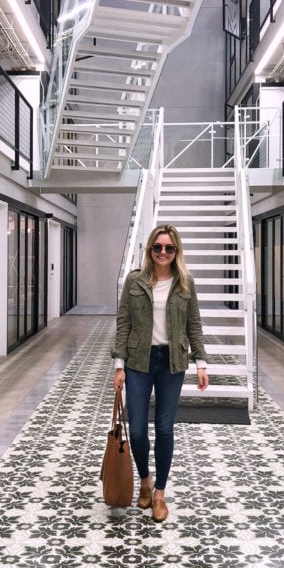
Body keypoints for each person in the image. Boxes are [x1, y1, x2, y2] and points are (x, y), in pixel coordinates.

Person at [112, 224, 209, 522]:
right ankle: (144, 479)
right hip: (138, 362)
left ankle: (159, 494)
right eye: (158, 247)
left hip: (172, 362)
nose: (163, 253)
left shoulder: (185, 284)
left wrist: (201, 363)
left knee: (165, 428)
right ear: (150, 250)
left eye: (169, 248)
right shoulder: (134, 281)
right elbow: (123, 323)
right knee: (138, 429)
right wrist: (119, 365)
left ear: (176, 251)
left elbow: (194, 325)